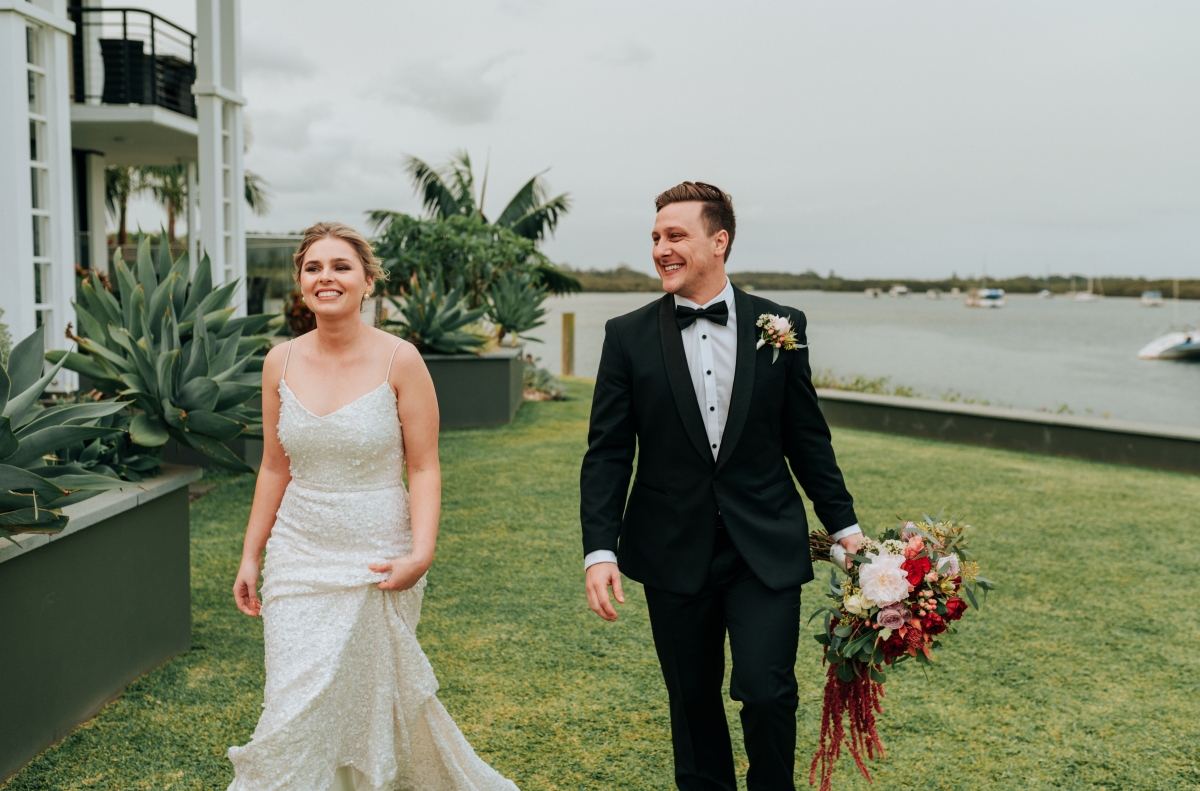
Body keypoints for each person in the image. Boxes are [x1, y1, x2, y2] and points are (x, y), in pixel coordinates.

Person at [580, 183, 864, 791]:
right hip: (670, 546)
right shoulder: (625, 335)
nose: (660, 248)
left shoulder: (782, 326)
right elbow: (607, 453)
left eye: (674, 235)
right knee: (692, 700)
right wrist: (599, 550)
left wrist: (845, 527)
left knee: (768, 692)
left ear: (719, 240)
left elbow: (807, 438)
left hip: (763, 544)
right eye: (655, 237)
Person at [228, 222, 517, 791]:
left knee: (365, 697)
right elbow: (274, 466)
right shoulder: (277, 362)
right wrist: (250, 555)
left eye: (340, 267)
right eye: (313, 268)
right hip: (299, 552)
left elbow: (424, 466)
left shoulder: (400, 360)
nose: (326, 277)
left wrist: (422, 552)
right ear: (300, 283)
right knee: (293, 699)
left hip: (378, 554)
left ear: (367, 282)